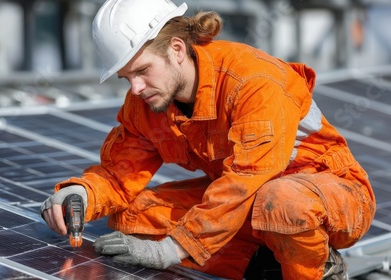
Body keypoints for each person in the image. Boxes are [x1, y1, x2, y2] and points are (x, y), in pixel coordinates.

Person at [41, 0, 376, 279]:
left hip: (328, 196)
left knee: (282, 202)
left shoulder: (252, 81)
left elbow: (245, 181)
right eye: (126, 77)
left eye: (142, 71)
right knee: (133, 219)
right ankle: (265, 265)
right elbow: (118, 176)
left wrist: (173, 249)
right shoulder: (149, 102)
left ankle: (322, 269)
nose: (135, 88)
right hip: (247, 202)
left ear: (176, 50)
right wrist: (80, 193)